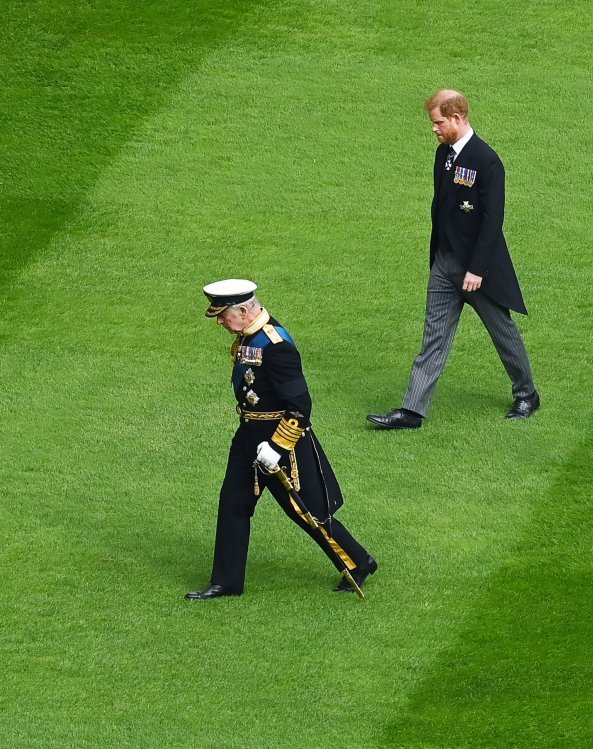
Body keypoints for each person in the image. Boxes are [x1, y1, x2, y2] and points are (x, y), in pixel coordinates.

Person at [187, 279, 378, 599]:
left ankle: (359, 562)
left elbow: (300, 406)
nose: (220, 321)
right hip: (248, 435)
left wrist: (277, 447)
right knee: (233, 504)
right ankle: (227, 581)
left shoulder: (276, 346)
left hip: (283, 444)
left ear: (245, 311)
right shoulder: (247, 336)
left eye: (223, 315)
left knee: (307, 512)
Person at [368, 89, 539, 430]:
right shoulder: (443, 155)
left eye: (438, 122)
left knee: (501, 331)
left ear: (458, 118)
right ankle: (412, 411)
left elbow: (493, 221)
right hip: (445, 265)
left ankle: (527, 394)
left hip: (477, 269)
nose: (434, 129)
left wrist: (477, 269)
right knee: (433, 336)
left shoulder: (486, 160)